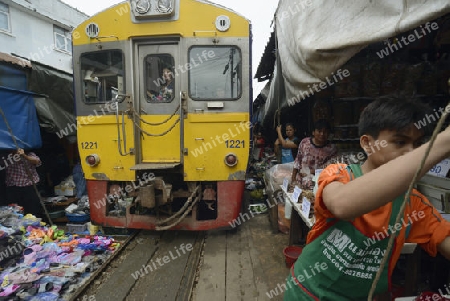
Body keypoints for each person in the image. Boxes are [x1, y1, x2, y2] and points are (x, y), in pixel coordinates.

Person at [283, 97, 450, 300]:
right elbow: (342, 204)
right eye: (400, 142)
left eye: (418, 144)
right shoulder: (339, 174)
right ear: (367, 144)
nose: (412, 153)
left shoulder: (413, 204)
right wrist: (442, 143)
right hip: (307, 293)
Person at [290, 119, 337, 190]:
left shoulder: (331, 149)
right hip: (300, 181)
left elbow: (330, 168)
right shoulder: (305, 143)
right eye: (319, 131)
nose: (322, 134)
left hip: (320, 184)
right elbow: (297, 161)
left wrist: (312, 172)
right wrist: (293, 180)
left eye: (325, 132)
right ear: (313, 132)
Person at [5, 148, 42, 217]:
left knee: (32, 210)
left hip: (29, 187)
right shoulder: (6, 157)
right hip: (14, 188)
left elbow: (37, 161)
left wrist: (24, 156)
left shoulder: (29, 154)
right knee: (16, 212)